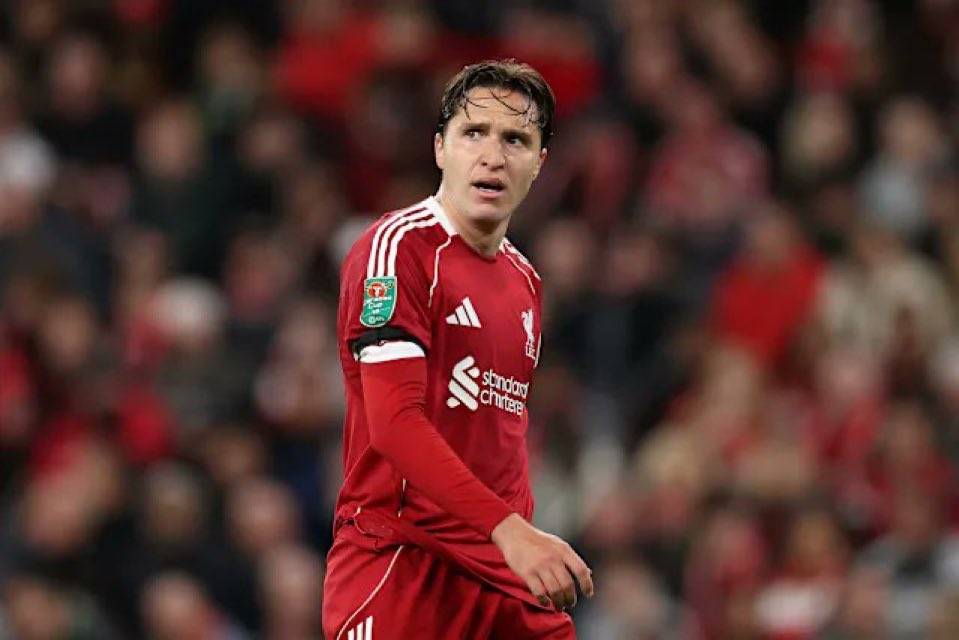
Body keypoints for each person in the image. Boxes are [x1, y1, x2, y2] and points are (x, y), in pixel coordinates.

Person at [322, 59, 594, 640]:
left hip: (497, 580)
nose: (493, 155)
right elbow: (395, 425)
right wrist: (511, 531)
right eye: (475, 133)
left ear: (539, 163)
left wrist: (520, 538)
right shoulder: (397, 249)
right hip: (402, 568)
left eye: (516, 139)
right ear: (440, 147)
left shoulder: (525, 282)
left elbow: (499, 440)